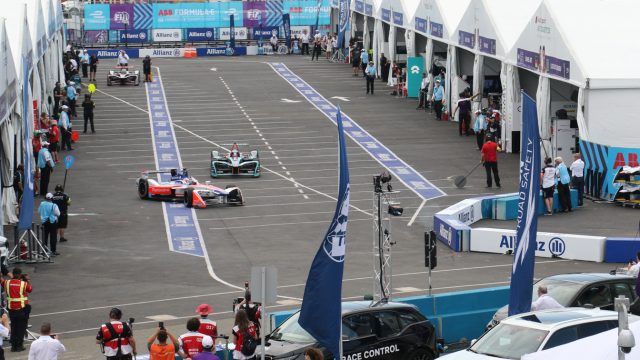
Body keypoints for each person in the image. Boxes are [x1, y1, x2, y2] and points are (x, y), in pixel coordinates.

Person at [2, 267, 32, 352]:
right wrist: (27, 280)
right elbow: (30, 289)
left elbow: (2, 282)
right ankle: (19, 346)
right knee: (21, 327)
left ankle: (13, 346)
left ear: (13, 274)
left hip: (11, 309)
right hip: (21, 309)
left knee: (14, 327)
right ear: (19, 275)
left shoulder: (6, 282)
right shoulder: (23, 284)